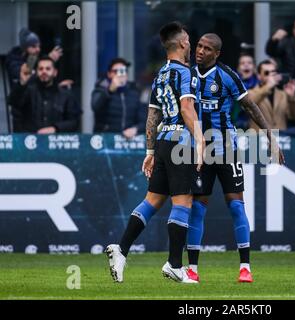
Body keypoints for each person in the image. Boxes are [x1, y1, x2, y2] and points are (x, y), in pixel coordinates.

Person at [105, 21, 205, 284]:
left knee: (153, 200)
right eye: (189, 40)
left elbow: (152, 116)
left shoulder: (160, 74)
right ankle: (174, 264)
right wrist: (201, 140)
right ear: (183, 42)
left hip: (162, 141)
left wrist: (150, 150)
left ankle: (121, 249)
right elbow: (186, 108)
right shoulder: (186, 73)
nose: (191, 44)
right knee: (183, 202)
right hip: (181, 141)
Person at [185, 33, 284, 283]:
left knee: (236, 205)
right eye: (199, 46)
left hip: (227, 149)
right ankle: (192, 270)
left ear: (216, 54)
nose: (200, 51)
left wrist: (271, 138)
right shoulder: (187, 74)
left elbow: (251, 106)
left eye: (207, 49)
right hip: (199, 153)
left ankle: (245, 267)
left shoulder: (227, 76)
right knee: (197, 208)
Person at [8, 56, 80, 133]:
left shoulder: (65, 95)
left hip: (56, 141)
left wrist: (55, 128)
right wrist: (22, 83)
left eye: (48, 69)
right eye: (40, 69)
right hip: (30, 141)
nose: (44, 71)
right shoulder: (28, 91)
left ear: (55, 72)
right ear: (36, 72)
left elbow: (74, 122)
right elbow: (13, 102)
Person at [91, 58, 147, 138]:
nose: (120, 74)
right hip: (106, 140)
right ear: (109, 74)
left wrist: (135, 129)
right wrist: (109, 90)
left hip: (129, 140)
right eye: (116, 71)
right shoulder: (101, 89)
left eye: (123, 71)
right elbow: (95, 106)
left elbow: (144, 119)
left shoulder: (135, 92)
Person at [248, 60, 295, 131]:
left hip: (280, 138)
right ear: (259, 76)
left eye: (273, 72)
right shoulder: (251, 92)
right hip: (259, 139)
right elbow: (250, 105)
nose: (271, 75)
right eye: (267, 73)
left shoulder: (282, 94)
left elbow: (294, 116)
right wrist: (268, 86)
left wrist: (291, 97)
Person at [232, 53, 259, 129]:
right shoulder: (232, 83)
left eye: (249, 63)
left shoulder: (259, 83)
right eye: (242, 63)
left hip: (254, 125)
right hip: (236, 123)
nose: (246, 65)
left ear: (254, 68)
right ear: (238, 68)